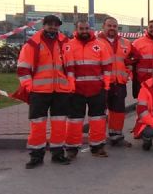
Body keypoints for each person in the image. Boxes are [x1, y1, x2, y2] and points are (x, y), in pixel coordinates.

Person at [16, 14, 73, 168]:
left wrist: (70, 85)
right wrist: (29, 87)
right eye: (50, 24)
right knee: (37, 125)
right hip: (39, 91)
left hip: (61, 91)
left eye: (56, 25)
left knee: (59, 124)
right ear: (44, 25)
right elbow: (23, 68)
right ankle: (36, 156)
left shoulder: (65, 43)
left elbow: (71, 66)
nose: (53, 27)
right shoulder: (32, 44)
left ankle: (57, 154)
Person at [64, 20, 112, 159]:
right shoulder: (69, 45)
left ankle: (97, 147)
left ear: (90, 29)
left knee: (98, 119)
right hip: (76, 91)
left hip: (97, 89)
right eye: (81, 28)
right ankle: (72, 148)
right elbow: (66, 68)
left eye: (86, 28)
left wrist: (106, 86)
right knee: (74, 120)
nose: (84, 31)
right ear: (76, 29)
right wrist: (70, 88)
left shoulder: (100, 45)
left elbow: (107, 67)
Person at [98, 17, 133, 147]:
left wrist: (129, 68)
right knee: (99, 112)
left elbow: (135, 57)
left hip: (119, 83)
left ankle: (116, 137)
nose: (112, 28)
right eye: (109, 25)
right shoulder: (95, 42)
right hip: (101, 83)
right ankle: (98, 138)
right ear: (103, 26)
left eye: (115, 26)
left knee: (118, 111)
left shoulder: (125, 42)